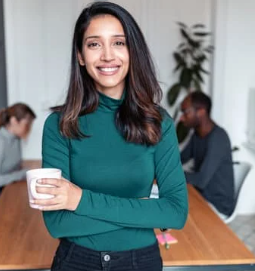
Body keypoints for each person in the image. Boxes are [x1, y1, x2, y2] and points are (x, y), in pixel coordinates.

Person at [36, 2, 188, 271]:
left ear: (132, 51)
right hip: (76, 261)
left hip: (140, 261)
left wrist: (78, 200)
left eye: (118, 42)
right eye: (94, 44)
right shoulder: (59, 125)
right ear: (81, 55)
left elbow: (175, 213)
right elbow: (57, 223)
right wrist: (142, 211)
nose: (108, 55)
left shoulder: (158, 123)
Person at [179, 91, 235, 218]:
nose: (181, 118)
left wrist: (168, 174)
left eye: (185, 112)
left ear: (201, 112)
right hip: (201, 195)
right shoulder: (197, 135)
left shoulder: (219, 138)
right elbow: (179, 159)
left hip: (217, 206)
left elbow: (201, 180)